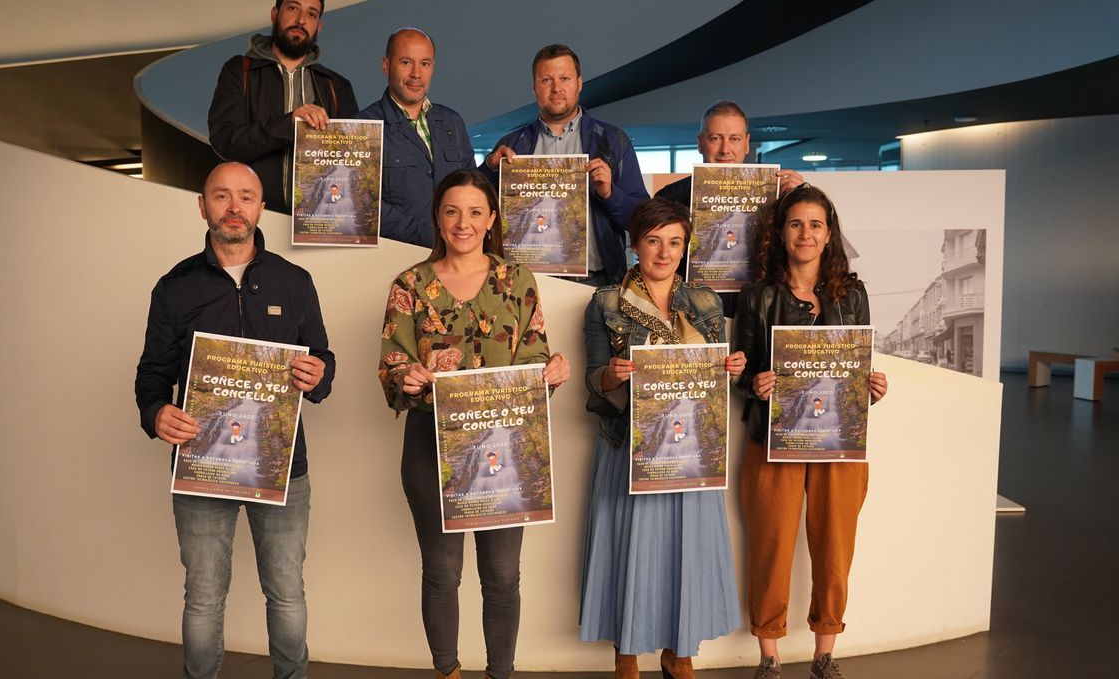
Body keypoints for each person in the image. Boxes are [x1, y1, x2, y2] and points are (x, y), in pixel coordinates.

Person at [134, 162, 336, 679]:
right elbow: (151, 374)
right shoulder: (174, 287)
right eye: (221, 196)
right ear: (202, 206)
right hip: (202, 466)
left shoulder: (294, 282)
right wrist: (156, 413)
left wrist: (318, 374)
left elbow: (323, 362)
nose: (233, 206)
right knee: (203, 596)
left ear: (260, 207)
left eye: (245, 196)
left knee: (287, 591)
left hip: (283, 465)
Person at [377, 169, 571, 679]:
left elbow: (536, 363)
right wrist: (410, 376)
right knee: (442, 573)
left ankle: (500, 673)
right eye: (452, 211)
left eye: (475, 212)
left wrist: (553, 373)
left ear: (491, 221)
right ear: (438, 219)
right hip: (430, 445)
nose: (463, 223)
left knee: (503, 576)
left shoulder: (518, 281)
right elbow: (391, 365)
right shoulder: (410, 285)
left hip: (507, 449)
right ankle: (448, 672)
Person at [579, 199, 746, 679]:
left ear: (686, 246)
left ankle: (679, 649)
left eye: (675, 242)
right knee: (627, 549)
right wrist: (611, 375)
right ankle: (627, 653)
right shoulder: (606, 302)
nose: (664, 252)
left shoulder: (707, 302)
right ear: (635, 245)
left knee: (684, 551)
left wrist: (732, 371)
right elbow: (593, 381)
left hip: (694, 450)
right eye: (654, 241)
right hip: (628, 445)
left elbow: (717, 382)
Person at [732, 184, 889, 679]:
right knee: (771, 544)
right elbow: (738, 376)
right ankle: (769, 657)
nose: (805, 233)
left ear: (829, 234)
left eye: (815, 224)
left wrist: (871, 387)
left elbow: (856, 367)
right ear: (780, 233)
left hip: (840, 444)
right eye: (795, 223)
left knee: (835, 544)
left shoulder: (854, 293)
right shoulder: (758, 297)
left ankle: (825, 653)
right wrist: (756, 385)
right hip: (773, 442)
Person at [481, 44, 648, 286]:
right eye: (546, 80)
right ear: (534, 88)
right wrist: (490, 166)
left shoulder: (612, 140)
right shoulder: (511, 144)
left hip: (596, 282)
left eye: (564, 78)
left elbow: (642, 221)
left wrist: (610, 194)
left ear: (579, 83)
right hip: (525, 283)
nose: (556, 88)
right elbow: (475, 208)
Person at [208, 0, 358, 215]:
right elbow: (225, 141)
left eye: (311, 14)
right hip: (253, 218)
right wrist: (289, 124)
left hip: (319, 223)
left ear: (318, 26)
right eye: (293, 8)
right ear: (275, 14)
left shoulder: (336, 86)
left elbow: (353, 163)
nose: (301, 20)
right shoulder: (240, 70)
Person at [654, 101, 805, 316]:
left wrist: (799, 197)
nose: (725, 150)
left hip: (761, 310)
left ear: (746, 143)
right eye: (715, 138)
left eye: (734, 139)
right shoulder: (670, 197)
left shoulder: (778, 194)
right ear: (700, 143)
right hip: (691, 314)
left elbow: (810, 249)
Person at [358, 27, 476, 247]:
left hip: (454, 258)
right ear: (386, 66)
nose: (416, 74)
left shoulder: (452, 122)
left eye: (425, 63)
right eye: (406, 62)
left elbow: (472, 186)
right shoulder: (363, 127)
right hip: (395, 258)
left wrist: (494, 165)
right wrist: (431, 236)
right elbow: (364, 205)